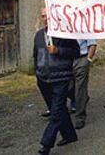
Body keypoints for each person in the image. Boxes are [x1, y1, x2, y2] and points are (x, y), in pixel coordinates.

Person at [33, 8, 79, 155]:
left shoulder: (65, 34)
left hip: (61, 77)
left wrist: (58, 50)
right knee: (58, 110)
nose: (45, 18)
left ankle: (46, 144)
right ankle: (70, 135)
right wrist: (37, 73)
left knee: (56, 111)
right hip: (43, 79)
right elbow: (35, 55)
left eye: (47, 16)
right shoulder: (39, 35)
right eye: (42, 16)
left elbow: (76, 52)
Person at [67, 38, 96, 130]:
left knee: (80, 88)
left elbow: (92, 44)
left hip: (81, 59)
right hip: (67, 60)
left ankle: (80, 116)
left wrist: (88, 60)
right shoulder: (64, 26)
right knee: (68, 87)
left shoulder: (85, 26)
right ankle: (79, 99)